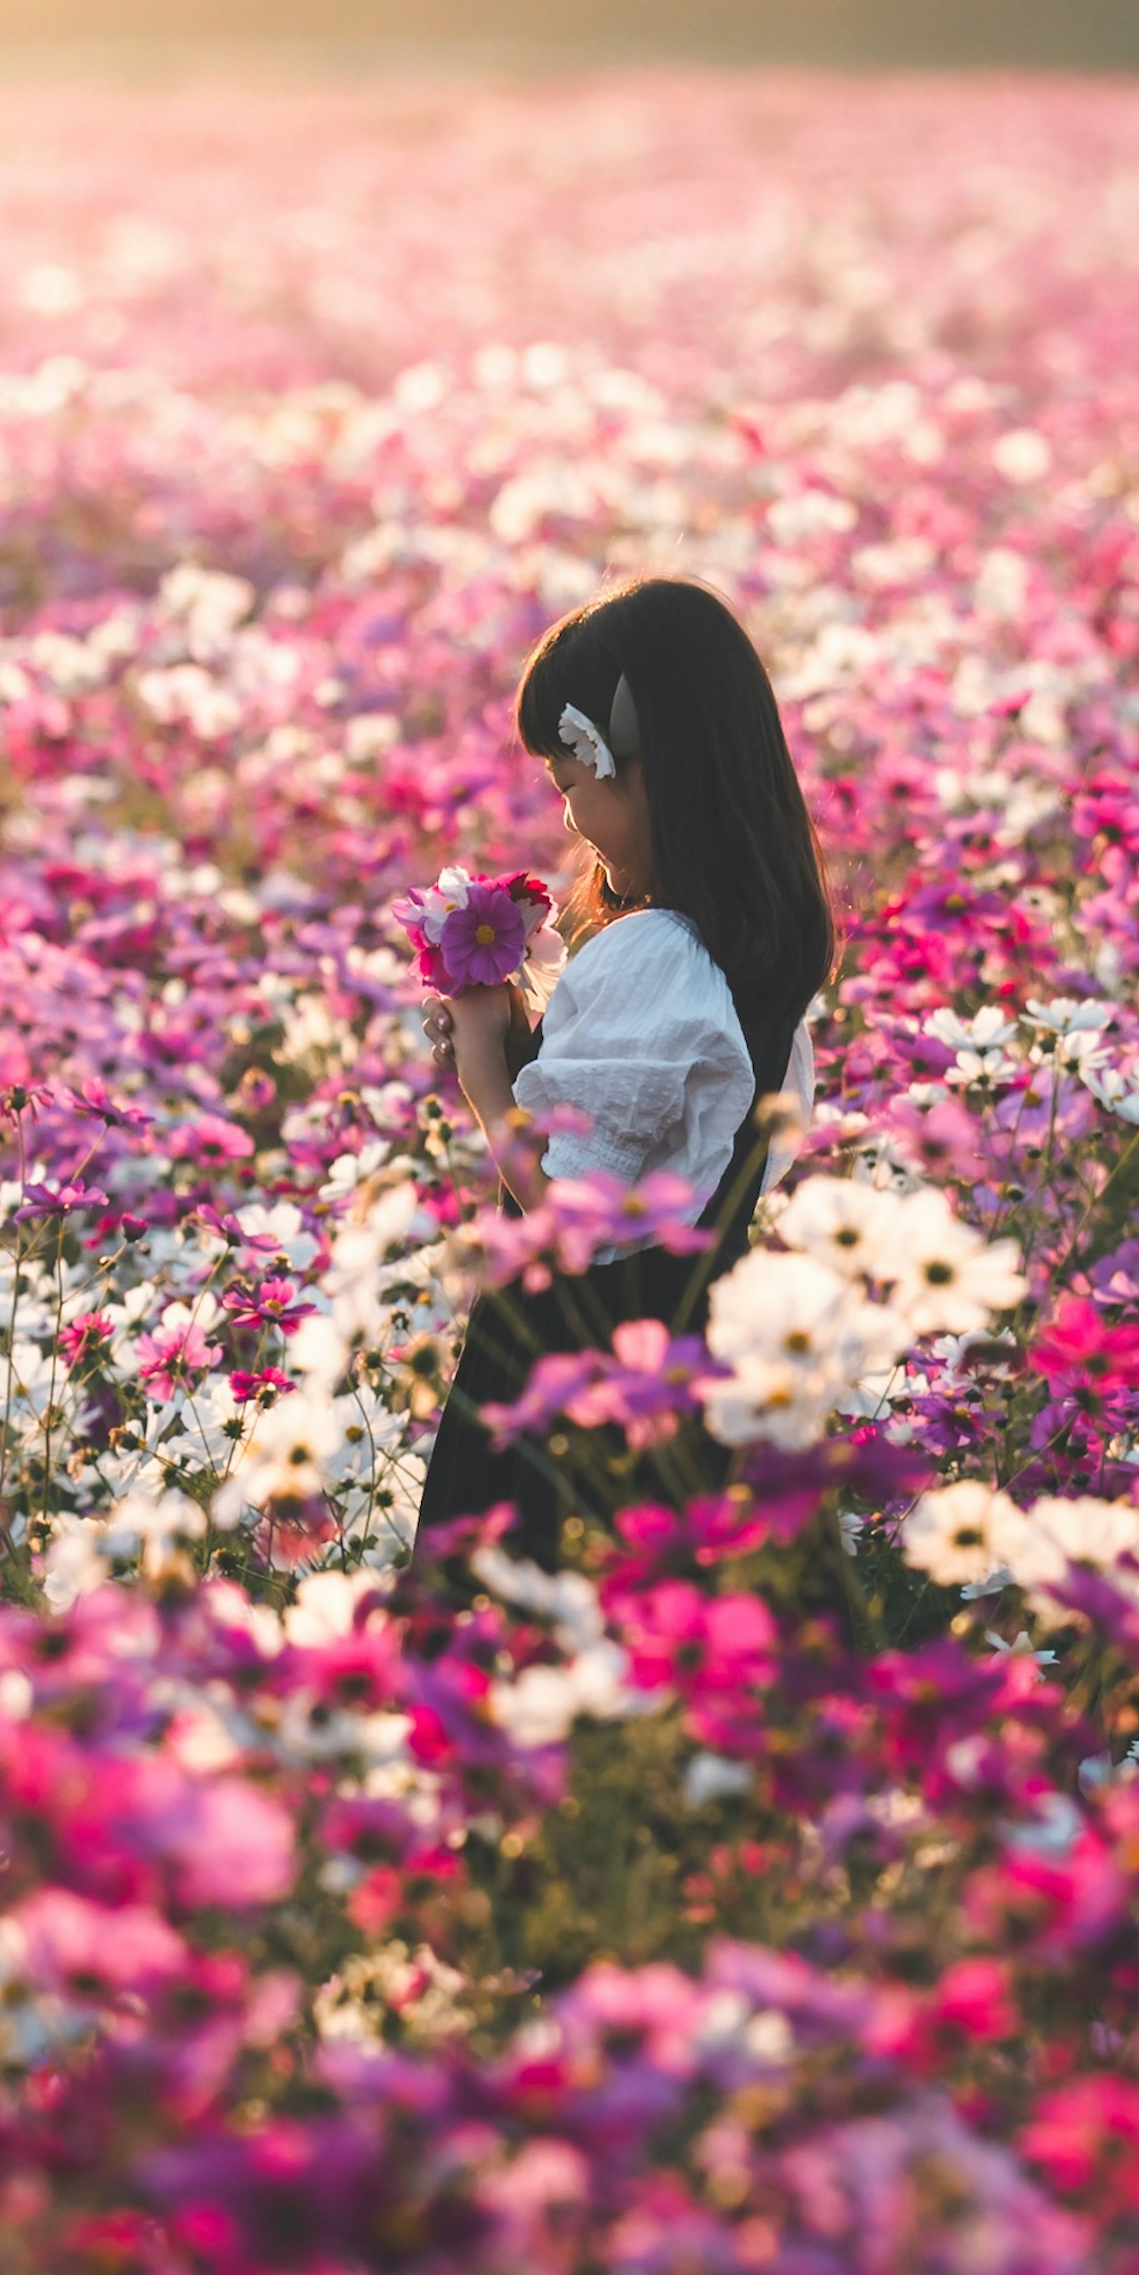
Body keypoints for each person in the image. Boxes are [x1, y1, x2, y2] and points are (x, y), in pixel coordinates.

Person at [413, 575, 836, 1562]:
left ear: (648, 766)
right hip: (686, 1389)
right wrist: (540, 1059)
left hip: (579, 1390)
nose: (570, 824)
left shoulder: (650, 952)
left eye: (572, 786)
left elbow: (570, 1226)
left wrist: (487, 1072)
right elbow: (668, 1168)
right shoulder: (751, 962)